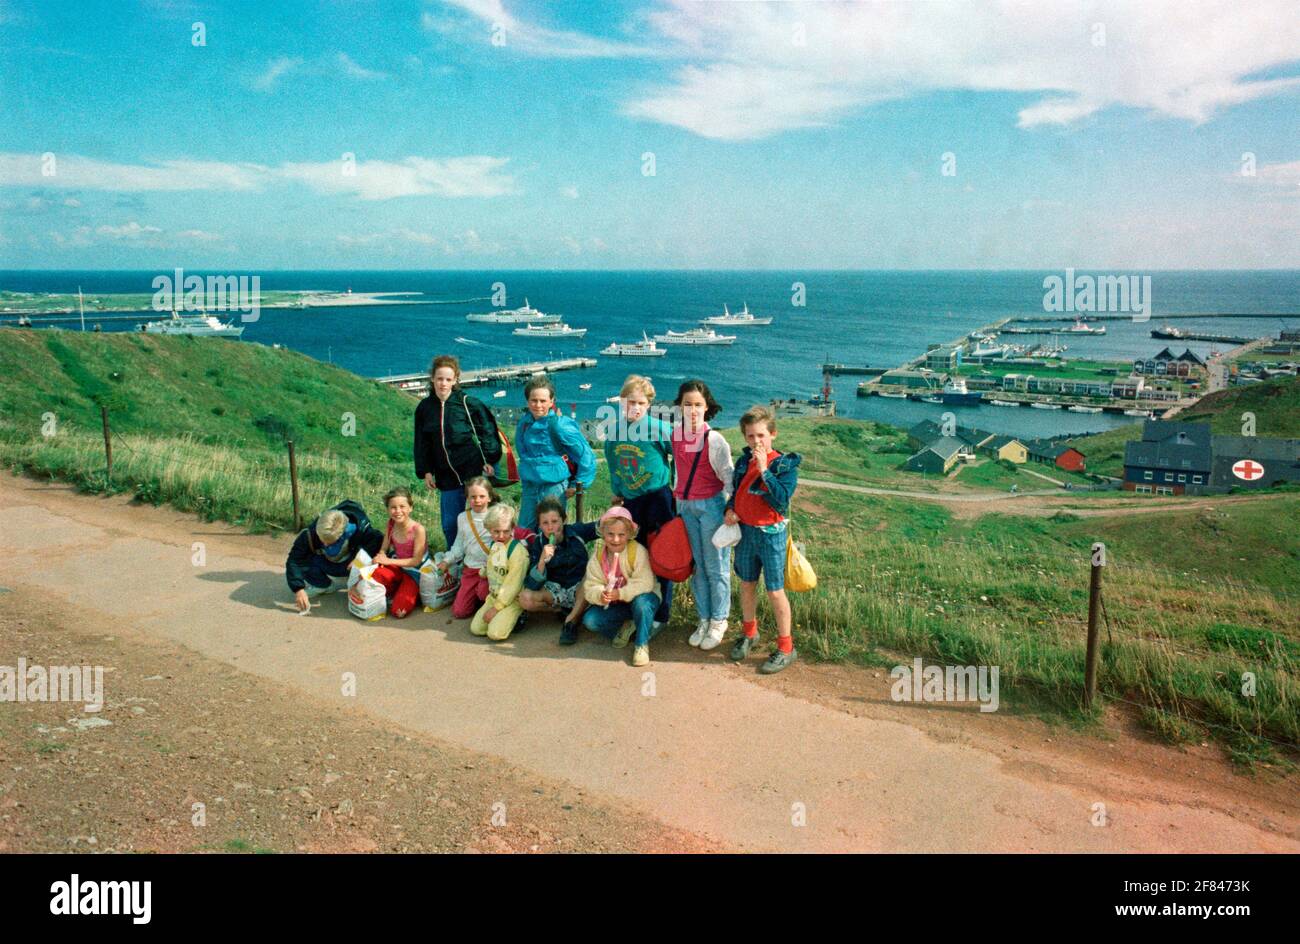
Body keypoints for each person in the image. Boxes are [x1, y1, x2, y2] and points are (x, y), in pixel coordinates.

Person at [724, 405, 802, 674]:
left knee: (774, 590)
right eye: (750, 436)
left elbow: (781, 499)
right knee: (746, 584)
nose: (756, 441)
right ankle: (750, 633)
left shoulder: (784, 465)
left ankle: (786, 647)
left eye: (761, 436)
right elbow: (737, 491)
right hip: (746, 531)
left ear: (773, 434)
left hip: (771, 535)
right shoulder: (744, 462)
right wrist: (730, 509)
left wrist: (764, 469)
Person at [605, 374, 676, 626]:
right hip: (632, 501)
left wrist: (676, 487)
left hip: (658, 499)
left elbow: (677, 455)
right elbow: (613, 463)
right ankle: (638, 606)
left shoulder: (659, 428)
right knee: (636, 554)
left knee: (663, 553)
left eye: (640, 403)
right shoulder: (614, 431)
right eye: (628, 401)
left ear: (649, 405)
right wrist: (617, 490)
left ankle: (662, 611)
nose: (633, 407)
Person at [413, 354, 502, 552]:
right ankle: (455, 565)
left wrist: (489, 459)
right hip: (445, 476)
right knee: (450, 524)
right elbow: (421, 442)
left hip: (473, 473)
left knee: (481, 522)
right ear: (432, 379)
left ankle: (486, 560)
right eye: (439, 379)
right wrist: (425, 471)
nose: (443, 383)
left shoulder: (468, 403)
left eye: (448, 379)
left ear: (455, 380)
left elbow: (488, 431)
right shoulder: (424, 408)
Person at [672, 379, 735, 651]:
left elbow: (728, 477)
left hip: (711, 506)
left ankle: (720, 619)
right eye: (688, 405)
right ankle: (704, 617)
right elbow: (677, 470)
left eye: (698, 405)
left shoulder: (715, 440)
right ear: (680, 406)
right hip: (686, 507)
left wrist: (730, 508)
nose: (693, 410)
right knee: (697, 566)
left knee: (716, 566)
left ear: (707, 407)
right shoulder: (676, 435)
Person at [580, 506, 661, 667]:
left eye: (621, 535)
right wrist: (600, 594)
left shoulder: (637, 551)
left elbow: (645, 583)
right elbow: (590, 586)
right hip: (619, 605)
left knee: (642, 604)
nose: (615, 539)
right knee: (590, 620)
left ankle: (641, 645)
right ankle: (629, 627)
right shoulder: (597, 557)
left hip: (643, 598)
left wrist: (620, 593)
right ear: (603, 533)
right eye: (610, 534)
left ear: (629, 534)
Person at [514, 374, 596, 530]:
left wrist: (579, 483)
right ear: (527, 401)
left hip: (554, 486)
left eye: (543, 401)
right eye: (534, 400)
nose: (538, 405)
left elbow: (586, 455)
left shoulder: (560, 426)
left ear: (551, 401)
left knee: (550, 531)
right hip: (530, 484)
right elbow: (523, 453)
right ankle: (528, 555)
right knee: (524, 531)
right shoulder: (524, 423)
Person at [518, 497, 598, 645]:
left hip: (579, 588)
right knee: (525, 599)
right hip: (556, 592)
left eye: (555, 522)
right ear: (539, 525)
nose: (550, 528)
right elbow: (532, 585)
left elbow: (601, 527)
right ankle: (560, 610)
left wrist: (616, 510)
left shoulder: (576, 532)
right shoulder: (538, 543)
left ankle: (571, 622)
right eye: (545, 523)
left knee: (591, 575)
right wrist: (542, 560)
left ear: (563, 520)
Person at [285, 500, 385, 612]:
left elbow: (379, 540)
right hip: (332, 561)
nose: (325, 544)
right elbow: (294, 560)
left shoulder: (359, 528)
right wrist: (298, 588)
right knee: (302, 557)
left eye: (329, 542)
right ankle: (323, 585)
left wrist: (359, 561)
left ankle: (357, 582)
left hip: (351, 563)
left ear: (343, 534)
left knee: (370, 558)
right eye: (321, 539)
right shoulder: (313, 531)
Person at [438, 476, 497, 619]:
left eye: (482, 496)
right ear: (467, 498)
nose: (477, 500)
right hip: (470, 569)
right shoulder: (463, 517)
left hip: (489, 570)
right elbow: (459, 545)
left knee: (484, 592)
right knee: (459, 611)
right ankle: (475, 597)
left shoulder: (495, 516)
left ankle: (484, 599)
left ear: (489, 497)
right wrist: (447, 560)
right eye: (473, 497)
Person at [469, 503, 530, 641]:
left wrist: (496, 609)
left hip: (513, 599)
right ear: (489, 529)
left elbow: (512, 584)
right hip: (494, 596)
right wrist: (484, 572)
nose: (501, 536)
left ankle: (519, 614)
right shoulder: (495, 545)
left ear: (512, 529)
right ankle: (501, 617)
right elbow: (492, 565)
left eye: (506, 531)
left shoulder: (517, 552)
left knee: (495, 634)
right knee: (476, 629)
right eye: (496, 531)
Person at [369, 487, 427, 619]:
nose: (398, 511)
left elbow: (416, 561)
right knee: (373, 574)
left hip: (414, 571)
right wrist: (380, 556)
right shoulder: (390, 524)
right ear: (388, 509)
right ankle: (397, 589)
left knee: (399, 611)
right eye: (393, 507)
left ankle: (410, 592)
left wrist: (388, 561)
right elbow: (384, 548)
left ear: (410, 508)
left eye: (402, 506)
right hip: (398, 567)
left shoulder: (418, 530)